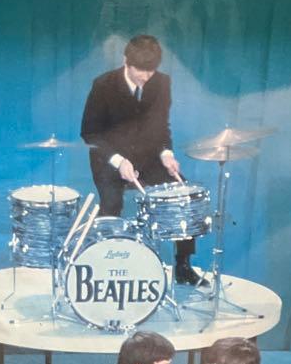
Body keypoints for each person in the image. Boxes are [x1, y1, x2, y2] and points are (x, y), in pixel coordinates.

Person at [80, 33, 203, 286]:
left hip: (148, 159)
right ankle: (103, 265)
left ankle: (183, 265)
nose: (146, 76)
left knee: (183, 196)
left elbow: (161, 127)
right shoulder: (102, 85)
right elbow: (90, 133)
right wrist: (119, 161)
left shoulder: (162, 83)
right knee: (111, 205)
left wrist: (166, 154)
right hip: (109, 160)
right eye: (141, 70)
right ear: (126, 61)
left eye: (151, 70)